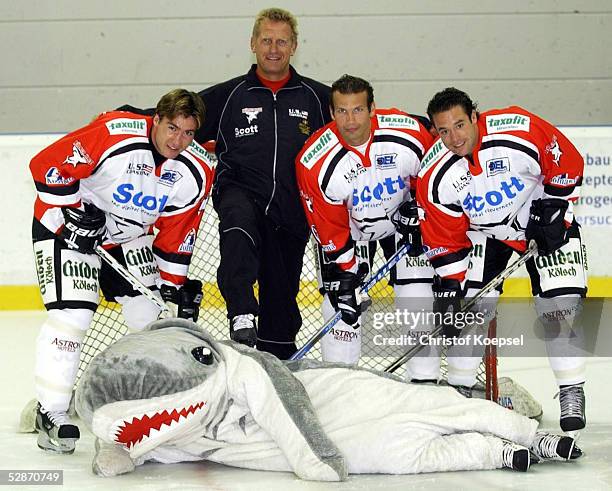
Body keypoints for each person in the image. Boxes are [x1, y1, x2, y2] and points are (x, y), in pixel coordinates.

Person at [75, 318, 583, 479]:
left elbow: (285, 403)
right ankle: (496, 453)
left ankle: (529, 435)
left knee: (427, 407)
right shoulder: (171, 434)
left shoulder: (237, 367)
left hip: (326, 401)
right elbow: (133, 443)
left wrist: (316, 461)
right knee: (394, 455)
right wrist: (115, 449)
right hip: (297, 444)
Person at [29, 88, 215, 454]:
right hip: (66, 226)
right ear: (156, 120)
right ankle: (50, 412)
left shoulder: (197, 169)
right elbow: (46, 164)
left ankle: (138, 403)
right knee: (73, 316)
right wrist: (72, 215)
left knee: (151, 316)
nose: (178, 141)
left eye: (188, 133)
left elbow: (177, 234)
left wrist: (172, 288)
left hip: (127, 237)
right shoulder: (115, 133)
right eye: (172, 128)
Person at [416, 87, 587, 432]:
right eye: (444, 131)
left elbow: (565, 159)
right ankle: (461, 391)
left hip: (539, 217)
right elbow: (445, 235)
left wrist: (556, 207)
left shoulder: (517, 128)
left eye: (460, 125)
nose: (454, 137)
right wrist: (450, 285)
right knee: (472, 310)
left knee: (559, 303)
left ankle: (572, 389)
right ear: (435, 130)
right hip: (486, 233)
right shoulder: (433, 174)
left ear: (475, 117)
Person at [296, 74, 437, 371]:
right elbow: (328, 226)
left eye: (358, 109)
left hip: (402, 224)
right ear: (332, 113)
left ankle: (424, 383)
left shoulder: (409, 133)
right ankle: (340, 385)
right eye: (342, 111)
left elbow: (436, 177)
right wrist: (346, 272)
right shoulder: (313, 162)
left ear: (373, 108)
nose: (350, 121)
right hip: (350, 231)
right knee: (340, 303)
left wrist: (420, 211)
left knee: (417, 296)